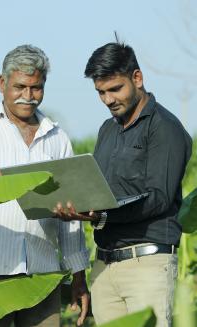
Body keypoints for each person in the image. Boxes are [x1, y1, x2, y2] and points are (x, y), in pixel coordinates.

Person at [0, 44, 90, 326]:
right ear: (2, 83)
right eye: (20, 86)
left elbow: (71, 218)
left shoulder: (57, 138)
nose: (29, 96)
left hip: (41, 276)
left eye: (37, 88)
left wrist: (79, 274)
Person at [54, 42, 192, 327]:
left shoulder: (164, 127)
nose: (107, 99)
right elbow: (98, 190)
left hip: (147, 266)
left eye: (115, 89)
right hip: (104, 265)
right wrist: (75, 203)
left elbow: (159, 198)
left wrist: (102, 214)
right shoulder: (108, 130)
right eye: (100, 92)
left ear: (137, 78)